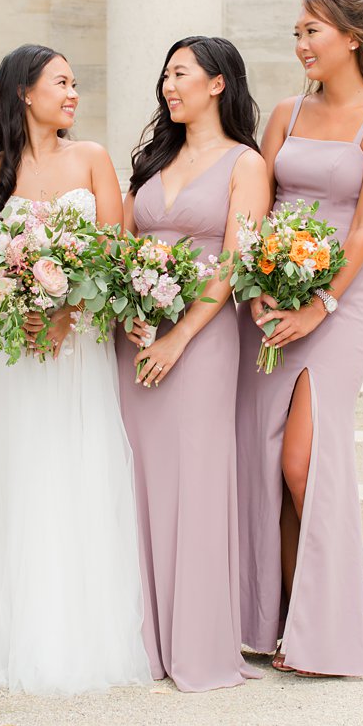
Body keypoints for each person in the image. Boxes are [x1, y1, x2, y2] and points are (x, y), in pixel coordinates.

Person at [0, 43, 152, 694]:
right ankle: (19, 633)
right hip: (13, 354)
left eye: (74, 82)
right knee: (18, 478)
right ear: (23, 91)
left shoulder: (92, 158)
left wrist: (68, 309)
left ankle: (79, 635)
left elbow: (116, 251)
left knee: (76, 473)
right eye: (60, 82)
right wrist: (15, 303)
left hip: (79, 347)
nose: (72, 93)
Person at [236, 0, 363, 678]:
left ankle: (329, 630)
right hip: (272, 302)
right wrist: (255, 291)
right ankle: (285, 626)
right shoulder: (286, 111)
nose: (302, 44)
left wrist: (321, 304)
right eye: (298, 32)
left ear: (353, 37)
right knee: (269, 463)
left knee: (304, 462)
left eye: (314, 31)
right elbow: (257, 205)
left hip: (336, 306)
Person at [114, 36, 269, 691]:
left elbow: (235, 262)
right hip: (137, 337)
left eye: (181, 73)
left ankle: (199, 646)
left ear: (218, 84)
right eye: (165, 75)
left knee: (198, 479)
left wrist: (180, 339)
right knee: (137, 479)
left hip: (202, 342)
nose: (168, 85)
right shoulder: (154, 160)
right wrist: (128, 309)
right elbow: (121, 242)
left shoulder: (246, 164)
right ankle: (143, 641)